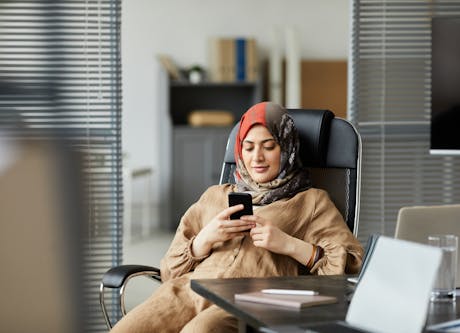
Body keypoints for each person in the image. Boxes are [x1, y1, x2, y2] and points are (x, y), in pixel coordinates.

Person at [110, 102, 364, 333]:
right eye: (249, 147)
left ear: (287, 147)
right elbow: (168, 270)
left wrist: (288, 244)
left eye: (269, 146)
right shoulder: (215, 196)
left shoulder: (311, 202)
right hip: (187, 291)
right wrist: (204, 241)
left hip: (250, 302)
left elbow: (353, 265)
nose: (257, 158)